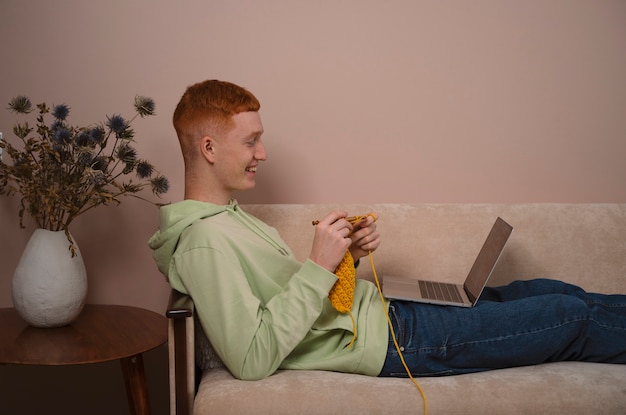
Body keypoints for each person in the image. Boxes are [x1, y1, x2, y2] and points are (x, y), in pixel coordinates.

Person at [149, 79, 626, 381]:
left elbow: (290, 301)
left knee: (546, 289)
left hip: (384, 311)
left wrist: (346, 257)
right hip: (393, 342)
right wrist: (319, 263)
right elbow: (252, 358)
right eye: (251, 141)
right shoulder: (202, 242)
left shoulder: (227, 219)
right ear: (209, 147)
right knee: (567, 316)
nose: (263, 153)